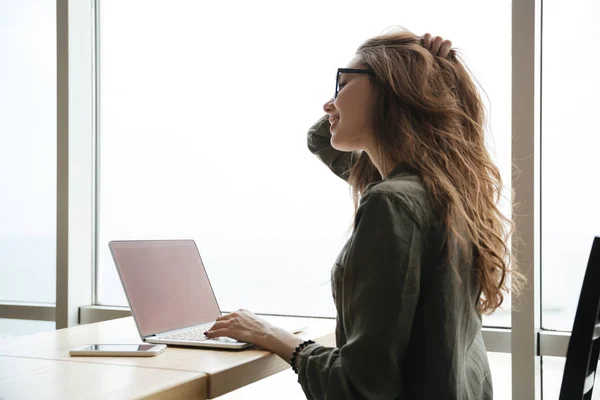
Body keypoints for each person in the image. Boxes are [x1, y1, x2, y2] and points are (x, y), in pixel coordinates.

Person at [204, 29, 522, 399]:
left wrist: (271, 335)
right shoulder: (447, 193)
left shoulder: (393, 202)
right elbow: (320, 139)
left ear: (391, 90)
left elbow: (359, 388)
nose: (328, 103)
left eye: (341, 84)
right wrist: (433, 76)